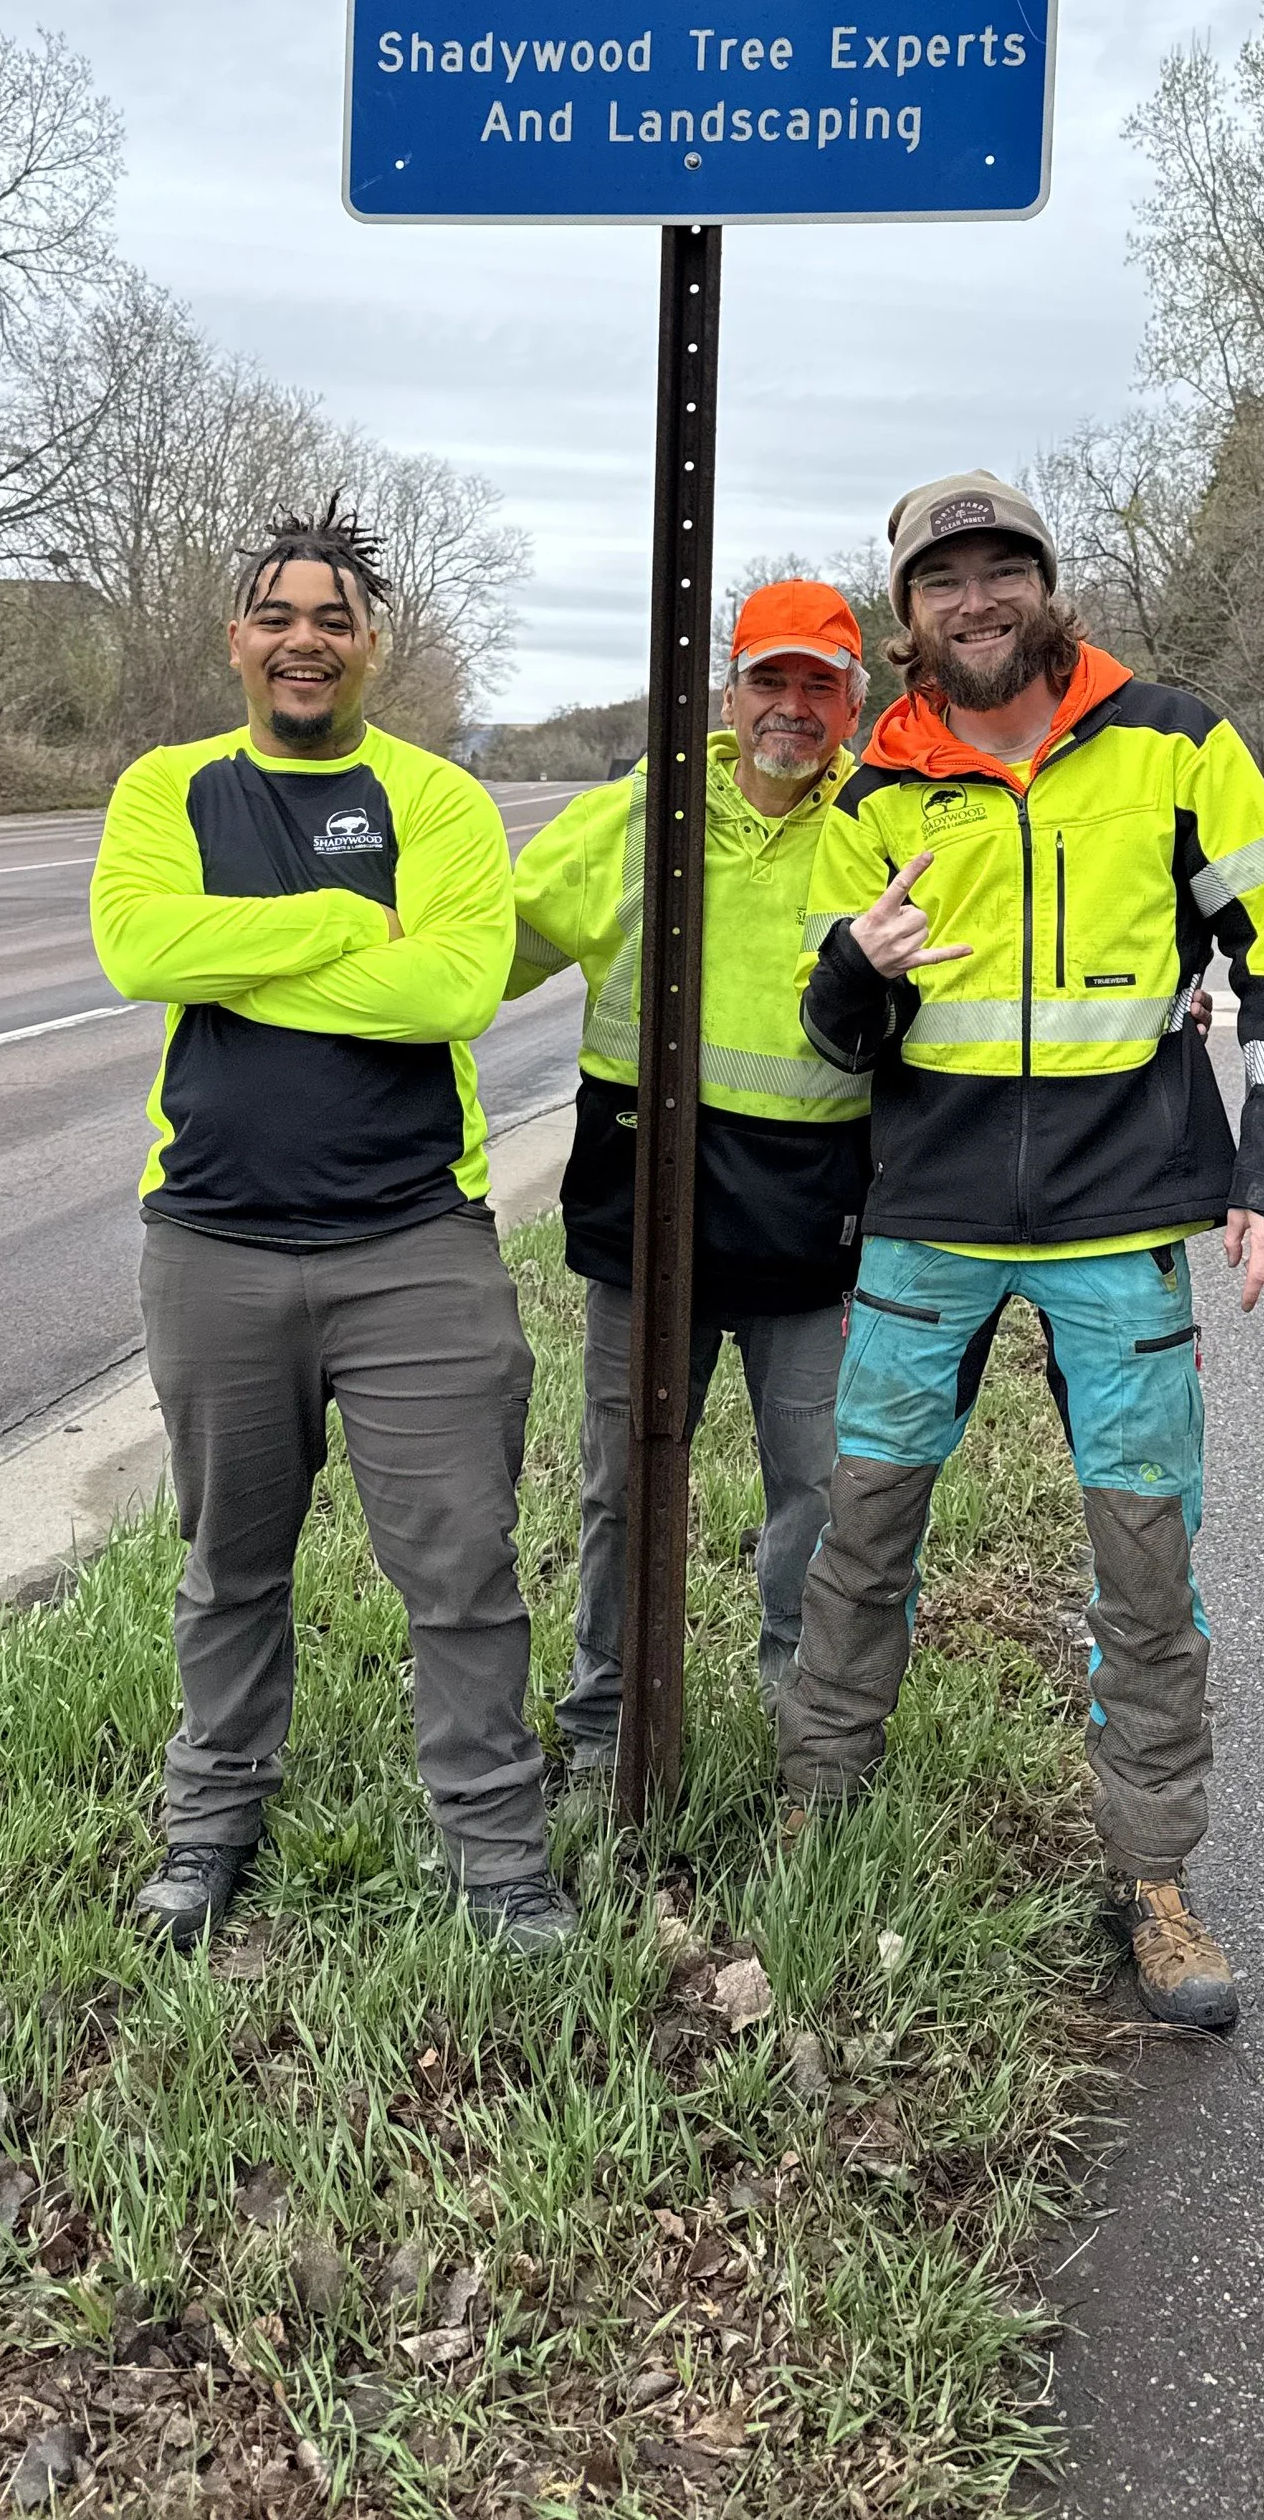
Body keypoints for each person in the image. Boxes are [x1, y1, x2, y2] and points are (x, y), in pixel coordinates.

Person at [774, 472, 1264, 2032]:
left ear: (1046, 584)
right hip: (927, 1222)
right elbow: (835, 1035)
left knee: (1146, 1561)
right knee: (863, 1525)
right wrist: (853, 967)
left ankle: (1152, 1877)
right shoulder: (873, 785)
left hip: (1125, 1219)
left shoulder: (1176, 739)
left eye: (1003, 568)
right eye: (943, 579)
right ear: (908, 614)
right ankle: (823, 1797)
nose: (977, 598)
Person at [89, 501, 573, 1957]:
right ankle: (208, 1828)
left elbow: (449, 993)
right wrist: (346, 922)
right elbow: (139, 949)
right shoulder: (164, 790)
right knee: (228, 1561)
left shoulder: (437, 801)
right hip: (213, 1245)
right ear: (238, 636)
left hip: (412, 1242)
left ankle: (497, 1857)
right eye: (279, 614)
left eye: (335, 617)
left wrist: (245, 946)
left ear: (373, 643)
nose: (307, 639)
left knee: (462, 1566)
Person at [508, 579, 875, 1773]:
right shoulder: (640, 814)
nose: (791, 708)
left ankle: (806, 1730)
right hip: (644, 1215)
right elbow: (494, 949)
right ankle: (603, 1725)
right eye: (769, 681)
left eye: (818, 686)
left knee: (820, 1496)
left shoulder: (882, 830)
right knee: (621, 1492)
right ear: (728, 693)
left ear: (854, 701)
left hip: (811, 1226)